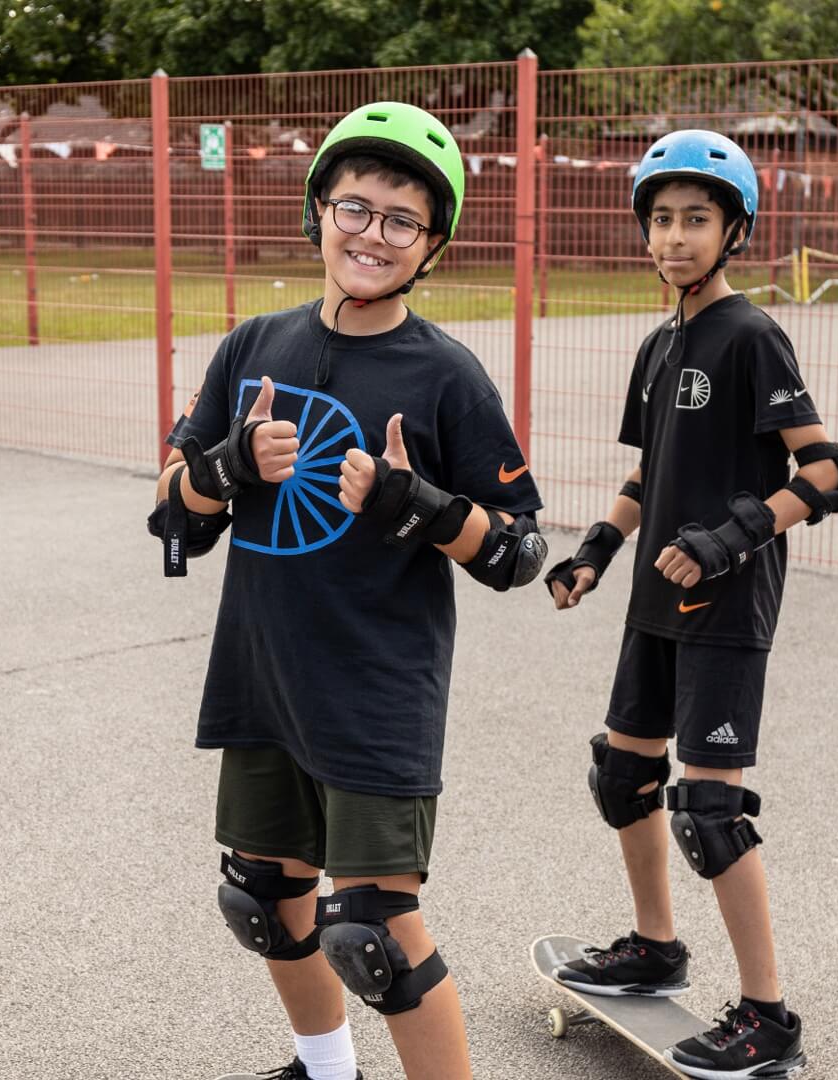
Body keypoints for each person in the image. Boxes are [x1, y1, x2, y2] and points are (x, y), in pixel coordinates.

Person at [147, 101, 546, 1080]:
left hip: (375, 688)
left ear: (432, 243)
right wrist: (227, 467)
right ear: (319, 211)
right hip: (263, 678)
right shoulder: (251, 348)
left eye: (401, 219)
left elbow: (519, 552)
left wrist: (422, 503)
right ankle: (328, 1072)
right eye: (356, 208)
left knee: (373, 928)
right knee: (264, 895)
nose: (372, 233)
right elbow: (171, 517)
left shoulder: (447, 377)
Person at [543, 129, 838, 1078]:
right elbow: (653, 471)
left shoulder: (753, 335)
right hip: (652, 600)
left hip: (724, 606)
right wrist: (597, 547)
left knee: (709, 813)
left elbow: (829, 473)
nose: (675, 238)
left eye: (697, 220)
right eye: (662, 220)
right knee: (622, 779)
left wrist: (731, 537)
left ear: (734, 231)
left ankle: (769, 1016)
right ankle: (654, 947)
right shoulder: (659, 341)